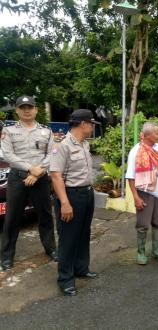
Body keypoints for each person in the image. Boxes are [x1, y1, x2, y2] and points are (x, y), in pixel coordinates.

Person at [0, 95, 57, 270]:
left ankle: (51, 249)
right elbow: (7, 155)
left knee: (45, 215)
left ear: (36, 110)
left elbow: (52, 153)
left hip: (40, 179)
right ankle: (6, 256)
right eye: (22, 107)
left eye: (30, 107)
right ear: (17, 110)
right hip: (17, 178)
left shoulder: (46, 132)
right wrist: (30, 168)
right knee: (12, 218)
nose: (26, 110)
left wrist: (38, 172)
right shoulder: (9, 132)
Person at [50, 109, 98, 296]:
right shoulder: (62, 146)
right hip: (70, 195)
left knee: (83, 234)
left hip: (87, 193)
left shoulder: (84, 144)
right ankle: (65, 279)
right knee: (68, 238)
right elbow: (55, 175)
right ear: (83, 124)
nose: (93, 127)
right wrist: (64, 203)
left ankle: (81, 268)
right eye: (92, 124)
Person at [126, 122, 158, 266]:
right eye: (157, 133)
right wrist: (136, 197)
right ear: (147, 135)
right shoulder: (135, 151)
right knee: (142, 225)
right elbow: (130, 176)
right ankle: (141, 253)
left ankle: (157, 250)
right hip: (145, 193)